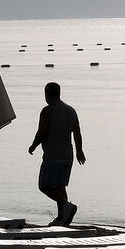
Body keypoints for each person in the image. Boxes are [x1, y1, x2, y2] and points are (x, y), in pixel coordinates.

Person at [28, 82, 85, 225]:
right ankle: (62, 218)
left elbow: (42, 132)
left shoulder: (48, 111)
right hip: (67, 156)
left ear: (46, 94)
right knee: (60, 186)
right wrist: (79, 151)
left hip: (53, 156)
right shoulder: (70, 110)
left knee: (44, 186)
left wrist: (33, 146)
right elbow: (77, 132)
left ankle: (65, 206)